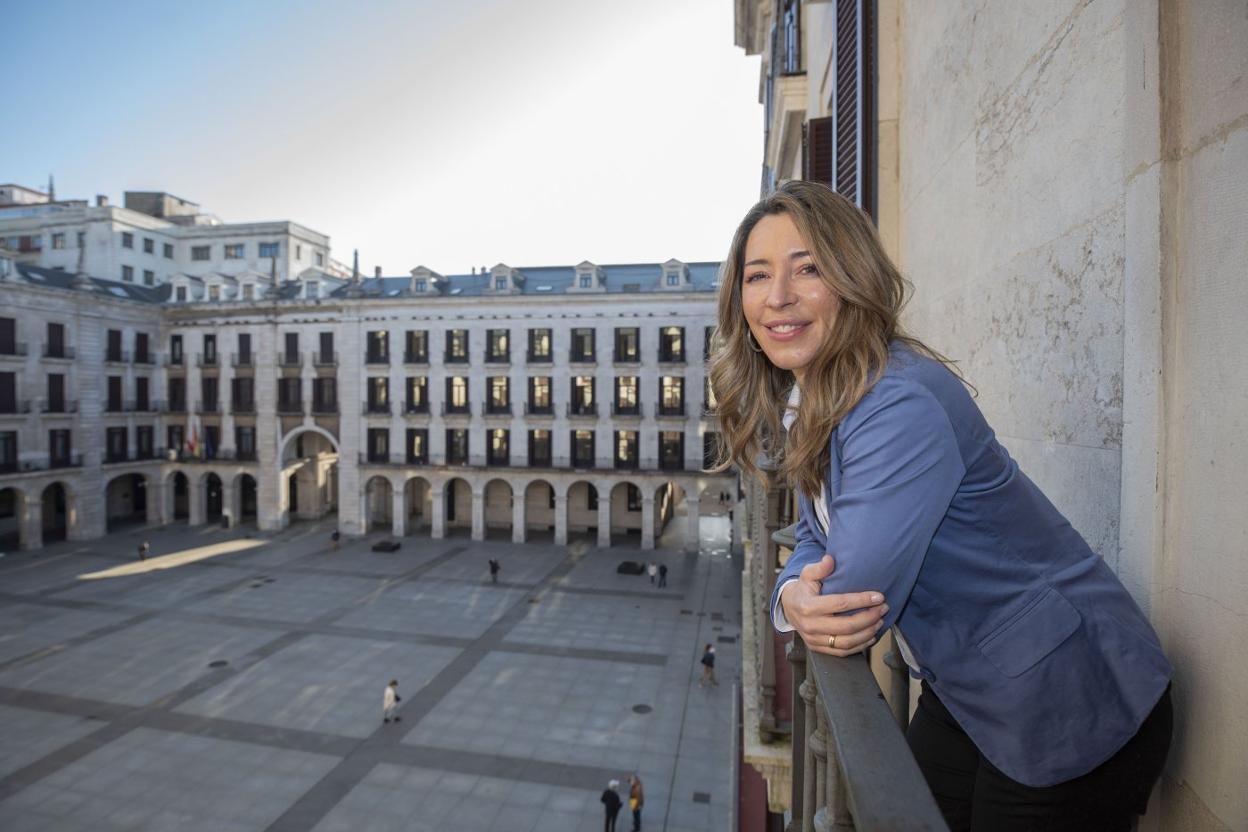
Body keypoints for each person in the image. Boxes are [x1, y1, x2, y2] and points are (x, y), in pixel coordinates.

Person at [708, 181, 1172, 831]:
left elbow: (851, 593)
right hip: (972, 688)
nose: (777, 296)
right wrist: (790, 596)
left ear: (851, 276)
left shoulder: (896, 404)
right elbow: (813, 538)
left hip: (1069, 693)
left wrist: (805, 593)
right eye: (758, 276)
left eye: (807, 268)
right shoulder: (823, 399)